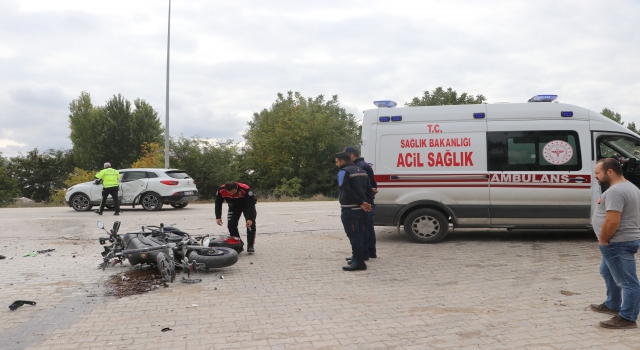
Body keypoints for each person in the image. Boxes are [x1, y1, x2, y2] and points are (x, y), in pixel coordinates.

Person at [590, 158, 640, 329]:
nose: (595, 176)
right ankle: (613, 304)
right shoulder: (630, 187)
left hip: (617, 243)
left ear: (609, 171)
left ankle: (627, 317)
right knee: (606, 271)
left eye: (597, 172)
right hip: (622, 241)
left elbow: (612, 221)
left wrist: (603, 240)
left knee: (628, 281)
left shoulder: (615, 191)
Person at [335, 152, 374, 271]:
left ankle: (359, 263)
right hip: (362, 209)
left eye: (337, 162)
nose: (336, 164)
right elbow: (369, 189)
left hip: (350, 209)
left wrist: (361, 203)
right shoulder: (361, 170)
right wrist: (368, 203)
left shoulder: (343, 172)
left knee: (354, 236)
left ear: (342, 161)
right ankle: (357, 257)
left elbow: (346, 190)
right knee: (360, 234)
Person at [343, 146, 378, 260]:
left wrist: (364, 202)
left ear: (351, 155)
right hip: (367, 201)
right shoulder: (364, 165)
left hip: (364, 203)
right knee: (367, 227)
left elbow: (360, 187)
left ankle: (364, 253)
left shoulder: (359, 167)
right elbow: (372, 185)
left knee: (364, 229)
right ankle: (369, 252)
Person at [215, 182, 257, 253]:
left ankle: (250, 245)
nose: (232, 194)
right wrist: (218, 216)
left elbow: (251, 204)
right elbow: (218, 203)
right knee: (231, 225)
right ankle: (238, 244)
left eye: (233, 192)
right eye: (229, 192)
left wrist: (250, 218)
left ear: (236, 188)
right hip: (233, 207)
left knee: (250, 225)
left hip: (247, 206)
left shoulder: (245, 189)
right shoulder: (221, 190)